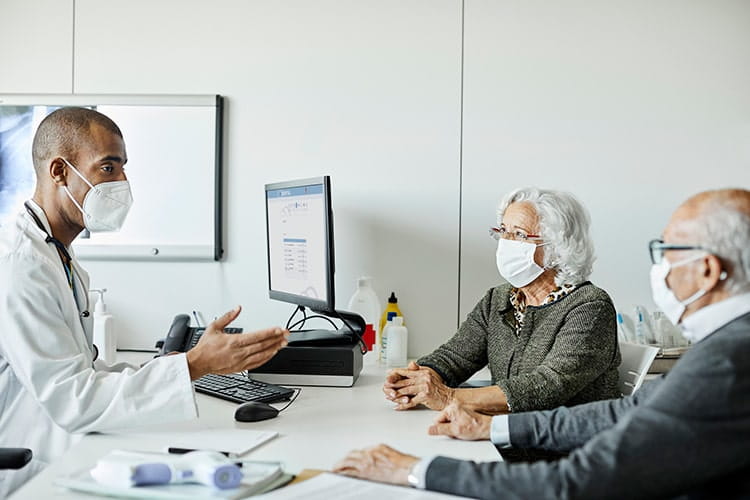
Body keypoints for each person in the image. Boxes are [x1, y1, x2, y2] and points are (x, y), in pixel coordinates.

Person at [335, 188, 750, 498]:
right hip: (530, 454)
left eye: (666, 252)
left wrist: (416, 469)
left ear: (709, 269)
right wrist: (485, 421)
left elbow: (573, 475)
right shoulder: (725, 348)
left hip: (555, 469)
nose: (659, 269)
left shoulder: (725, 362)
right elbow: (627, 410)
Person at [0, 107, 289, 496]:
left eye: (123, 168)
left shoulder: (55, 253)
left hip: (65, 444)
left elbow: (86, 371)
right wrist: (195, 364)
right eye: (108, 168)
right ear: (59, 171)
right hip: (33, 465)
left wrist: (189, 366)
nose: (122, 182)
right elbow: (73, 400)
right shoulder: (20, 265)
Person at [384, 187, 620, 416]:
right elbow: (454, 358)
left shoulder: (590, 307)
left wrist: (447, 397)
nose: (506, 242)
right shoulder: (498, 299)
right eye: (503, 231)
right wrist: (413, 380)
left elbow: (548, 386)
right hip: (507, 435)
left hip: (568, 448)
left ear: (557, 248)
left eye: (519, 235)